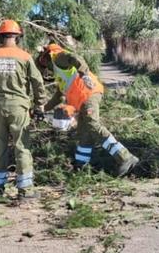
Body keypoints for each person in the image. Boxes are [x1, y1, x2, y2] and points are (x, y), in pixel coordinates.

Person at [37, 42, 139, 176]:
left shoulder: (58, 57)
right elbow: (58, 96)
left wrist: (84, 74)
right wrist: (43, 109)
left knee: (93, 124)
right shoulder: (59, 71)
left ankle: (125, 157)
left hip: (88, 94)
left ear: (46, 57)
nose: (45, 69)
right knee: (84, 134)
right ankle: (81, 167)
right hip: (83, 100)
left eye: (43, 64)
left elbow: (75, 57)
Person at [0, 19, 47, 198]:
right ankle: (25, 190)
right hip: (18, 107)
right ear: (17, 37)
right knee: (22, 146)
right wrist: (39, 104)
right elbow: (37, 82)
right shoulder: (24, 57)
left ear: (0, 37)